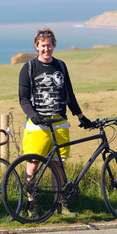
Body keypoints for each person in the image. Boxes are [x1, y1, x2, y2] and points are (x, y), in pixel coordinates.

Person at [18, 28, 92, 217]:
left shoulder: (61, 66)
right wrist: (34, 116)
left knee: (58, 165)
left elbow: (69, 94)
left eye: (49, 45)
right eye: (43, 46)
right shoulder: (28, 68)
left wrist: (80, 116)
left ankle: (59, 205)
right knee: (32, 164)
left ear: (54, 45)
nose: (46, 49)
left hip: (60, 123)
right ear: (36, 46)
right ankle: (32, 205)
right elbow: (23, 99)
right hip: (38, 126)